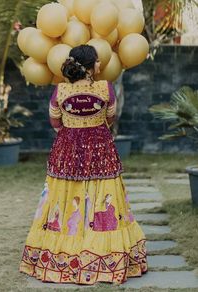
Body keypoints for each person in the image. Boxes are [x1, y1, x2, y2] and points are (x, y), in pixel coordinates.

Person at [19, 44, 148, 285]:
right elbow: (110, 119)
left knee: (66, 199)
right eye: (98, 61)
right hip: (100, 151)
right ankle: (104, 257)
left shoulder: (60, 91)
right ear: (90, 66)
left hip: (66, 152)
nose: (101, 64)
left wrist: (73, 132)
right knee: (101, 198)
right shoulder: (105, 88)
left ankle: (61, 257)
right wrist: (92, 131)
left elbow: (55, 122)